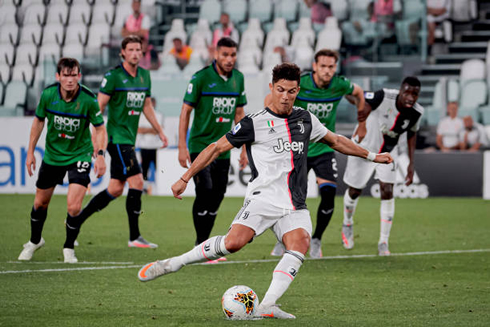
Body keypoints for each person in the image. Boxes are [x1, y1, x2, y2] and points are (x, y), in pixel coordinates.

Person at [137, 63, 393, 319]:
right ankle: (172, 264)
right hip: (263, 199)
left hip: (294, 204)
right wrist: (185, 177)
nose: (285, 96)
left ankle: (267, 304)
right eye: (280, 89)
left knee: (300, 245)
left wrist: (372, 156)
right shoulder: (253, 123)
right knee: (233, 244)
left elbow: (336, 141)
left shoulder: (305, 119)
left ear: (298, 90)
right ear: (272, 87)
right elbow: (215, 148)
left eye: (291, 91)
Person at [266, 49, 367, 258]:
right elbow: (271, 99)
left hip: (324, 148)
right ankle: (283, 238)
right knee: (289, 199)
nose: (327, 71)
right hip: (297, 150)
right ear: (315, 66)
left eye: (331, 67)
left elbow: (358, 92)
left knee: (329, 195)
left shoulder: (340, 85)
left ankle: (316, 239)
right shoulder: (301, 84)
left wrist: (362, 121)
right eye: (323, 66)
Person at [71, 35, 168, 249]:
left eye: (138, 50)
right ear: (122, 53)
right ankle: (134, 237)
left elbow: (147, 106)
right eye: (131, 50)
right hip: (115, 138)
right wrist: (94, 140)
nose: (135, 53)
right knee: (138, 182)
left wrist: (159, 130)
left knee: (115, 188)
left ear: (142, 53)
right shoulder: (113, 76)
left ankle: (75, 222)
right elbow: (98, 108)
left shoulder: (144, 76)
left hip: (129, 139)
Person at [18, 58, 107, 263]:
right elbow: (39, 121)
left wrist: (100, 155)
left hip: (80, 154)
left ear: (79, 76)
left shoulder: (87, 99)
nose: (69, 80)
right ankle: (34, 241)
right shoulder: (48, 95)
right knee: (40, 203)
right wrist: (31, 151)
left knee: (74, 207)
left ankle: (68, 248)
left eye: (73, 75)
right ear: (58, 77)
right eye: (65, 75)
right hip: (53, 155)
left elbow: (100, 128)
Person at [178, 37, 248, 248]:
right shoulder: (200, 78)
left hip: (224, 147)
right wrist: (182, 146)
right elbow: (185, 111)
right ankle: (201, 244)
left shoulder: (238, 78)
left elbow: (239, 113)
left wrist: (245, 148)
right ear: (215, 54)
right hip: (200, 145)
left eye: (233, 55)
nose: (229, 59)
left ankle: (203, 242)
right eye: (225, 54)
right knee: (205, 190)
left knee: (218, 195)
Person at [342, 76, 423, 256]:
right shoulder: (384, 95)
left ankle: (383, 242)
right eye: (407, 92)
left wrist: (411, 164)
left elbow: (412, 134)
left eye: (415, 94)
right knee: (354, 191)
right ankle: (347, 222)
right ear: (401, 90)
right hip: (362, 148)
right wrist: (361, 112)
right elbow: (362, 100)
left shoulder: (417, 112)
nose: (410, 97)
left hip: (387, 153)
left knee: (387, 190)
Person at [137, 97, 165, 194]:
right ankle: (145, 188)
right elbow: (139, 130)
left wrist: (147, 130)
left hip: (156, 147)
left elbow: (159, 130)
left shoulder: (159, 115)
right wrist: (152, 129)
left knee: (159, 168)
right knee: (144, 169)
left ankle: (160, 187)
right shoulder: (141, 116)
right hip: (144, 146)